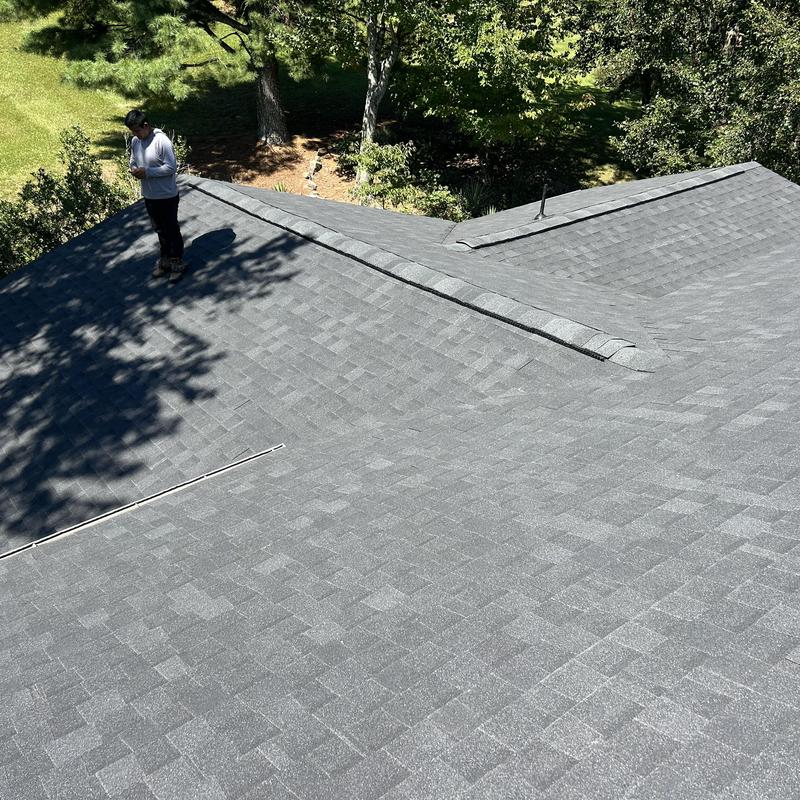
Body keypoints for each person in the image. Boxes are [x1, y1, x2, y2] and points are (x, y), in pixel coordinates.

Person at [124, 109, 186, 283]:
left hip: (166, 195)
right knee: (159, 229)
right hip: (150, 195)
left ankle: (177, 262)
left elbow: (171, 167)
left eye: (137, 130)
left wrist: (148, 172)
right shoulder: (136, 141)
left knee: (171, 229)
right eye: (132, 131)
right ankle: (165, 260)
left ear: (146, 125)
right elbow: (133, 160)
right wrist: (134, 169)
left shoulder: (161, 141)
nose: (135, 134)